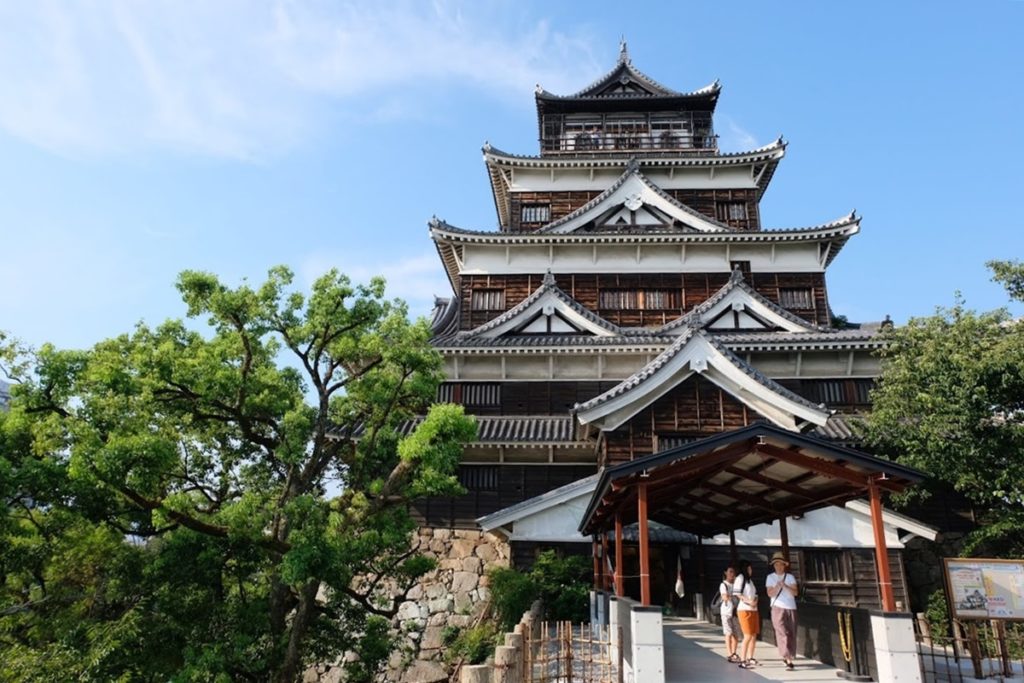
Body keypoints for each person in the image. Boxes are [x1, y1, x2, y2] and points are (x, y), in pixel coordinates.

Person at [766, 551, 799, 670]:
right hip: (777, 607)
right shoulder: (770, 577)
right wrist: (777, 586)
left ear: (784, 565)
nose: (778, 566)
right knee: (782, 632)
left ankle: (788, 656)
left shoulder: (790, 577)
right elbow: (769, 593)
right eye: (776, 564)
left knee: (791, 632)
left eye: (781, 564)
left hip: (791, 607)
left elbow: (795, 592)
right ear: (773, 565)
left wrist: (785, 586)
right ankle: (788, 657)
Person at [733, 559, 759, 669]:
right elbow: (738, 594)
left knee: (753, 635)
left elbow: (755, 594)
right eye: (749, 568)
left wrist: (755, 602)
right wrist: (749, 602)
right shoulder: (740, 578)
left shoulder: (750, 581)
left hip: (753, 609)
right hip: (744, 609)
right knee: (747, 635)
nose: (751, 570)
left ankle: (750, 657)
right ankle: (742, 660)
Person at [719, 565, 741, 663]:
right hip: (726, 612)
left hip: (735, 612)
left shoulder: (736, 584)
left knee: (735, 634)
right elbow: (724, 596)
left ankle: (734, 652)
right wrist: (730, 597)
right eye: (730, 571)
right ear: (726, 573)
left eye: (733, 572)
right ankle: (729, 653)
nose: (732, 574)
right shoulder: (724, 585)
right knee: (728, 632)